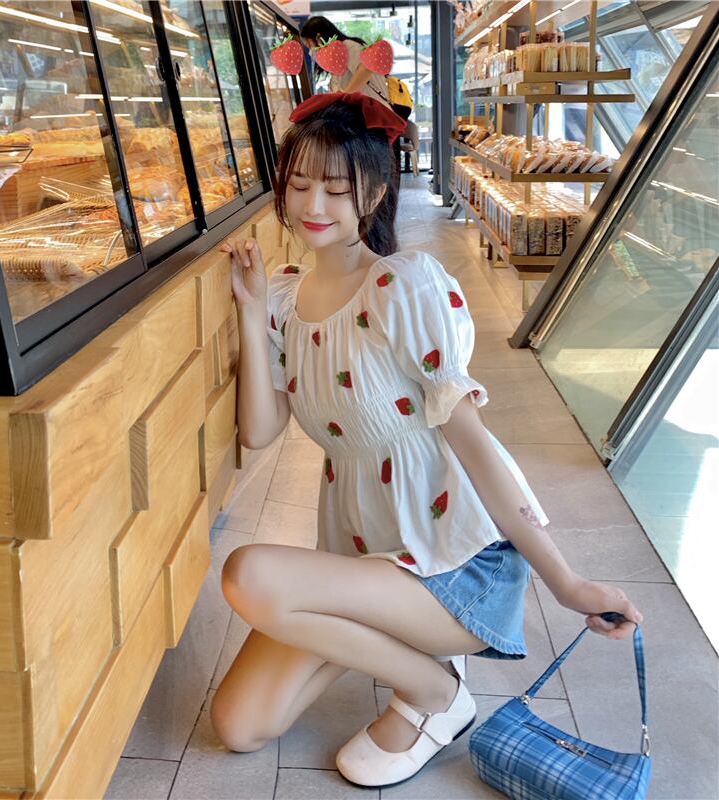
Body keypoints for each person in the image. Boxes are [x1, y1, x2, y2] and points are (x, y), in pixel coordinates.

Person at [212, 92, 642, 789]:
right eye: (299, 184)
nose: (313, 204)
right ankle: (403, 651)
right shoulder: (286, 298)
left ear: (375, 192)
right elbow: (260, 431)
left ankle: (436, 693)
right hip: (365, 559)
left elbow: (474, 445)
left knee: (249, 575)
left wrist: (566, 582)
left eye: (336, 189)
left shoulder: (401, 287)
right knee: (239, 725)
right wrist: (252, 310)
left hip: (451, 569)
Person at [299, 16, 402, 222]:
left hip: (375, 124)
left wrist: (345, 93)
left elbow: (367, 68)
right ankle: (369, 227)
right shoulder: (335, 58)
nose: (311, 51)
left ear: (319, 37)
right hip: (365, 126)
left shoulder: (349, 46)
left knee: (376, 186)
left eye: (309, 45)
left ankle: (377, 229)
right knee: (368, 184)